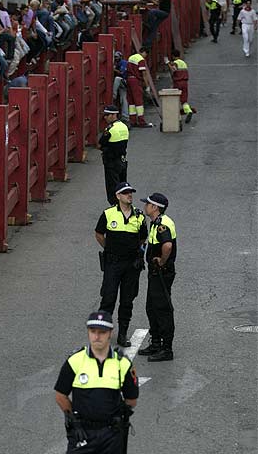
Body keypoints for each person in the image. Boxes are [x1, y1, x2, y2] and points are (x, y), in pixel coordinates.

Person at [54, 310, 139, 453]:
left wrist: (117, 418)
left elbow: (131, 400)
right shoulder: (75, 361)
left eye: (102, 332)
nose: (97, 336)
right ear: (88, 332)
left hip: (111, 435)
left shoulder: (122, 364)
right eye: (93, 331)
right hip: (82, 433)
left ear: (110, 333)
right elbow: (60, 395)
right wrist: (73, 418)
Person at [95, 182, 148, 347]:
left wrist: (138, 252)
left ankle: (122, 333)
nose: (129, 195)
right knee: (108, 298)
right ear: (118, 196)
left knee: (127, 300)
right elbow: (99, 233)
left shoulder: (139, 216)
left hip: (131, 265)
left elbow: (143, 237)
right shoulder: (108, 214)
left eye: (130, 192)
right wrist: (109, 249)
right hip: (113, 263)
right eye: (125, 193)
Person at [138, 193, 177, 362]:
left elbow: (167, 245)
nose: (145, 206)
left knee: (162, 309)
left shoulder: (162, 224)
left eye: (148, 204)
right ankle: (155, 342)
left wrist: (161, 261)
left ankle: (166, 348)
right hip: (155, 272)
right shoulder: (156, 222)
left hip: (161, 272)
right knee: (151, 307)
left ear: (155, 207)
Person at [98, 105, 129, 205]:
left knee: (112, 188)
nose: (105, 117)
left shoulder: (110, 129)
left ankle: (115, 207)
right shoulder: (124, 126)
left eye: (107, 115)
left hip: (111, 163)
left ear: (113, 115)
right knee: (122, 186)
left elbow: (100, 143)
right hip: (122, 161)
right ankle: (124, 205)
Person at [165, 49, 193, 124]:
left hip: (178, 83)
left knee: (175, 99)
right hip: (185, 82)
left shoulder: (175, 63)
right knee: (184, 100)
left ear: (173, 56)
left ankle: (177, 116)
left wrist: (167, 63)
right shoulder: (183, 63)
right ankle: (189, 111)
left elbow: (173, 69)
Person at [127, 46, 150, 128]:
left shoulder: (131, 57)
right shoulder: (141, 60)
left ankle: (132, 121)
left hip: (129, 79)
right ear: (144, 52)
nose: (145, 56)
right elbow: (143, 74)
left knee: (131, 102)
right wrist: (147, 86)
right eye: (146, 54)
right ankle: (141, 121)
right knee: (139, 101)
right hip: (136, 81)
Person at [113, 51, 129, 126]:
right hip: (122, 84)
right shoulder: (117, 63)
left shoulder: (123, 62)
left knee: (117, 78)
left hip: (125, 82)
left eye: (116, 57)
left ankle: (114, 95)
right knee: (123, 100)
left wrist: (113, 69)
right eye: (114, 57)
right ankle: (125, 116)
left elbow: (122, 73)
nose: (115, 58)